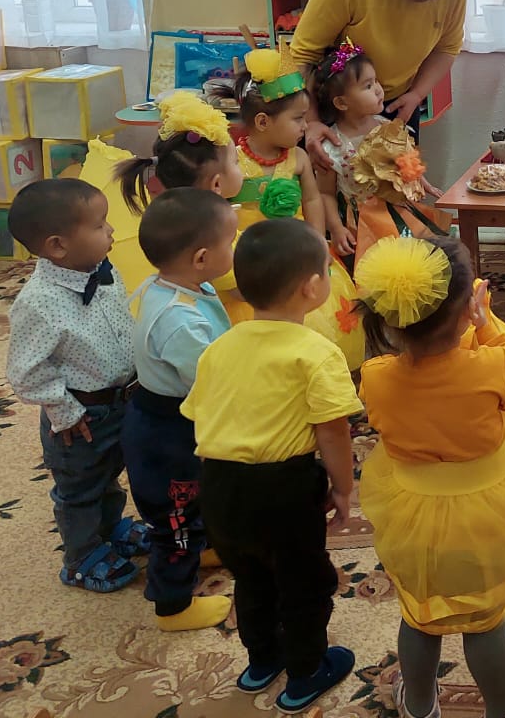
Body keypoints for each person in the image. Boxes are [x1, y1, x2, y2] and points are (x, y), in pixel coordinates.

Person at [357, 236, 505, 718]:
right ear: (467, 311)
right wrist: (487, 326)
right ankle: (504, 704)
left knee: (419, 616)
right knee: (484, 622)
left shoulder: (375, 376)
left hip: (412, 520)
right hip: (484, 520)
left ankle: (420, 704)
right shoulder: (492, 366)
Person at [182, 219, 361, 714]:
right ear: (313, 287)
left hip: (219, 485)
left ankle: (261, 661)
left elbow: (200, 418)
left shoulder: (218, 347)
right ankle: (306, 672)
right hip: (283, 489)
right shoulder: (317, 353)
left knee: (252, 577)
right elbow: (332, 431)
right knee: (305, 583)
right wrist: (343, 488)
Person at [4, 178, 149, 592]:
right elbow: (25, 370)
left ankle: (110, 529)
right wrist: (64, 410)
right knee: (79, 487)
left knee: (110, 473)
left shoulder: (101, 269)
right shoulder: (37, 302)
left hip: (123, 398)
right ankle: (81, 557)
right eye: (100, 225)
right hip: (81, 416)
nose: (111, 230)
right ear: (58, 246)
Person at [123, 188, 239, 632]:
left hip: (178, 417)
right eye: (231, 242)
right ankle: (173, 607)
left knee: (197, 495)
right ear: (202, 258)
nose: (235, 248)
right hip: (166, 433)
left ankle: (203, 545)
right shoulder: (178, 320)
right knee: (174, 519)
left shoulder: (181, 285)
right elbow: (210, 382)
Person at [290, 0, 475, 158]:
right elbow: (302, 54)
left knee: (398, 176)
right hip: (336, 106)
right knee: (333, 177)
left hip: (397, 102)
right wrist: (312, 120)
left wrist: (417, 94)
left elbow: (447, 49)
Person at [227, 48, 362, 368]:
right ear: (263, 122)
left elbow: (312, 199)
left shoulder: (298, 158)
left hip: (298, 251)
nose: (305, 126)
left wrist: (317, 238)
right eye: (298, 119)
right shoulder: (234, 163)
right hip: (254, 257)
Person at [112, 91, 246, 319]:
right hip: (228, 318)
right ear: (216, 184)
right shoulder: (211, 237)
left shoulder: (185, 221)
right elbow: (245, 291)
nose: (241, 166)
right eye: (236, 162)